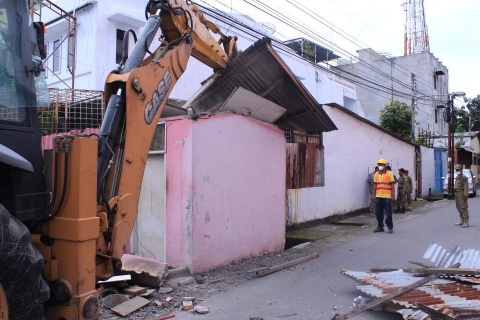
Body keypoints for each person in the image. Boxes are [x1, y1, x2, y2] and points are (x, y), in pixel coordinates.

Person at [371, 158, 396, 233]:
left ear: (385, 166)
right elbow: (375, 185)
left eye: (381, 165)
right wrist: (373, 194)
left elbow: (392, 185)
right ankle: (380, 227)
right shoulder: (376, 174)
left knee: (388, 213)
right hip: (378, 196)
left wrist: (393, 195)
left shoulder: (390, 173)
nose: (380, 166)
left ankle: (390, 227)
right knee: (378, 213)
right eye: (379, 165)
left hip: (387, 197)